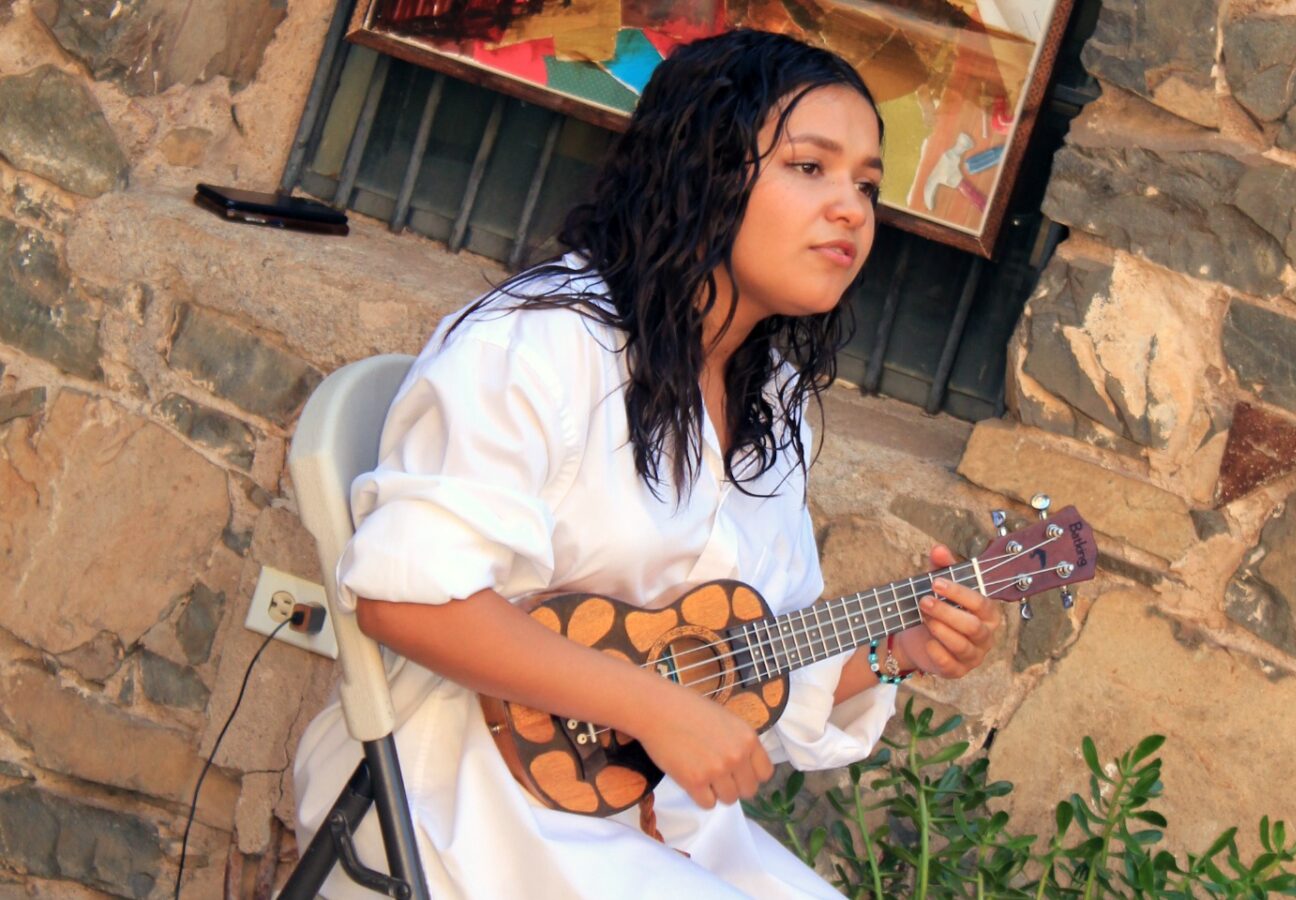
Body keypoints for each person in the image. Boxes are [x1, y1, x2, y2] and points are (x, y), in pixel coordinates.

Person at [293, 29, 1003, 898]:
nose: (852, 210)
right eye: (810, 167)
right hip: (463, 798)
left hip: (654, 818)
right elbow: (405, 600)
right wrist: (651, 707)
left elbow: (748, 660)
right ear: (703, 169)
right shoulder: (543, 344)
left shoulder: (771, 403)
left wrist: (900, 651)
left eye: (865, 184)